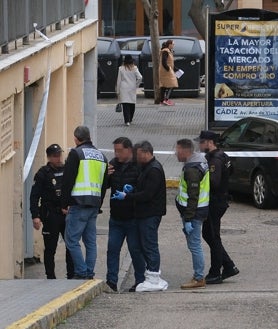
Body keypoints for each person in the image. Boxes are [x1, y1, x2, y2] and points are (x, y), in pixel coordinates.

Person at [112, 140, 168, 292]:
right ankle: (150, 276)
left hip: (150, 213)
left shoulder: (154, 170)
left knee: (149, 245)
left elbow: (148, 194)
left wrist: (128, 196)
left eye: (138, 154)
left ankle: (153, 277)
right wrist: (132, 189)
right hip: (144, 213)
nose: (136, 157)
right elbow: (142, 188)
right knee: (144, 245)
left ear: (145, 153)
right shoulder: (147, 168)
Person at [61, 126, 108, 279]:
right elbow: (104, 183)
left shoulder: (76, 153)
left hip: (78, 202)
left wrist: (64, 203)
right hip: (94, 204)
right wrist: (99, 204)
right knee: (90, 242)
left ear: (76, 138)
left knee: (71, 240)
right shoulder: (102, 156)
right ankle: (89, 272)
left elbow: (68, 180)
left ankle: (81, 272)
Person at [195, 130, 239, 284]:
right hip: (219, 201)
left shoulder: (215, 160)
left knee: (213, 236)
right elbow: (231, 170)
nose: (199, 145)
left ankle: (215, 272)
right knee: (209, 234)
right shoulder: (222, 155)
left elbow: (214, 182)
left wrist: (200, 178)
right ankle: (228, 265)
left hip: (215, 202)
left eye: (201, 142)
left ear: (209, 142)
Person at [106, 137, 145, 292]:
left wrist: (131, 191)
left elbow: (144, 189)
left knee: (135, 250)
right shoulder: (113, 164)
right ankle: (111, 281)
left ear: (129, 150)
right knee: (112, 250)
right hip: (116, 216)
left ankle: (140, 280)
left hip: (132, 217)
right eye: (115, 150)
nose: (117, 154)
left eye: (120, 150)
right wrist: (105, 176)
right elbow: (105, 186)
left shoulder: (138, 166)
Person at [30, 144, 74, 279]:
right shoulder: (43, 173)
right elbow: (34, 196)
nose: (58, 158)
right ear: (49, 157)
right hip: (50, 214)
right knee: (50, 248)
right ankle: (50, 277)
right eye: (55, 156)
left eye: (59, 155)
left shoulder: (67, 169)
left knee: (71, 246)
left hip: (66, 213)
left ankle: (71, 275)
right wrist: (35, 216)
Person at [175, 138, 210, 289]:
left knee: (194, 245)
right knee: (194, 244)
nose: (175, 153)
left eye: (177, 150)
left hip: (194, 214)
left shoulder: (192, 169)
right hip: (196, 212)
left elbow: (193, 196)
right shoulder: (197, 162)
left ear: (184, 150)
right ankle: (198, 276)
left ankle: (199, 278)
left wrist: (188, 218)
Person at [116, 54, 142, 126]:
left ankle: (127, 121)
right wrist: (136, 85)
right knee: (132, 104)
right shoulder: (135, 68)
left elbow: (119, 80)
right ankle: (130, 119)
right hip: (132, 88)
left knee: (125, 105)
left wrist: (118, 91)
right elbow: (140, 77)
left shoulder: (121, 68)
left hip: (123, 88)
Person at [159, 39, 178, 106]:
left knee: (164, 86)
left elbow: (170, 62)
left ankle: (163, 100)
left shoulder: (169, 51)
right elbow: (164, 62)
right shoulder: (165, 51)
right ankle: (165, 99)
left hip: (168, 70)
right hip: (166, 71)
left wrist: (176, 69)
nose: (173, 45)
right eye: (173, 44)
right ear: (169, 44)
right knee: (172, 84)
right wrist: (168, 69)